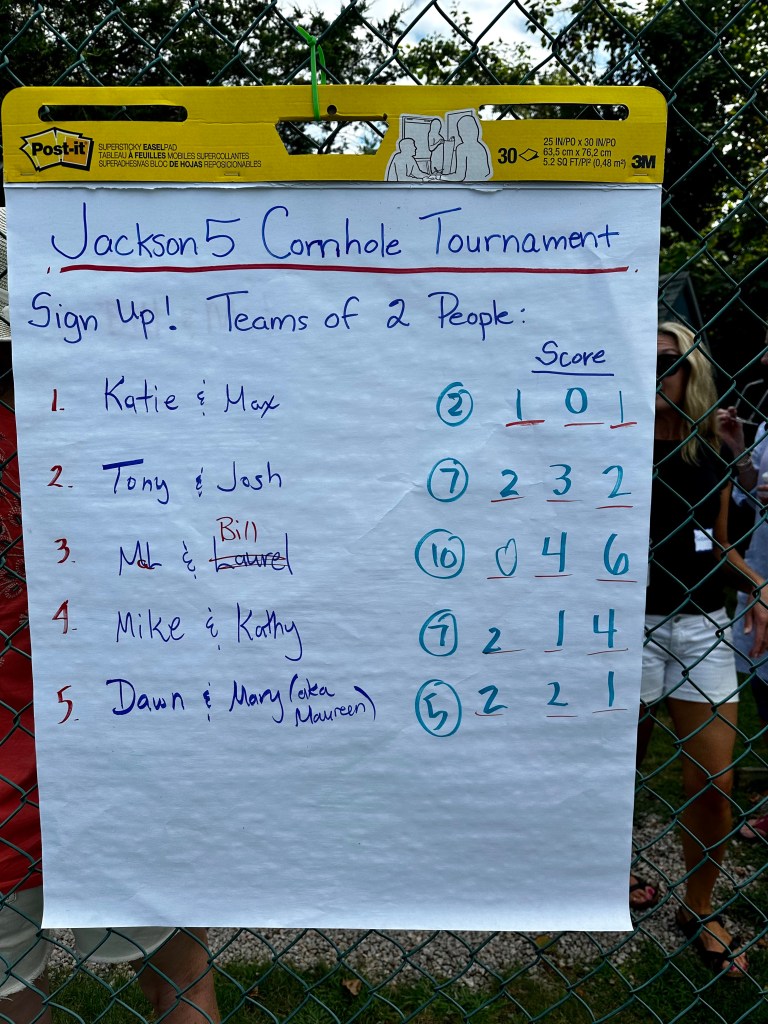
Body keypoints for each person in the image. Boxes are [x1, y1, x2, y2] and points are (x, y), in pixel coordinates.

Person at [0, 209, 220, 1024]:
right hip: (130, 758)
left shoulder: (110, 416)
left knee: (18, 999)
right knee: (179, 976)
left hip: (91, 765)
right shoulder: (119, 414)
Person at [634, 321, 768, 978]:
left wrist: (758, 585)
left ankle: (699, 905)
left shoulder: (707, 449)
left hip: (700, 625)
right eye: (646, 360)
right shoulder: (610, 442)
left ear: (693, 369)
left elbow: (716, 543)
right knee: (618, 773)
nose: (659, 371)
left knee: (714, 782)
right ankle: (610, 870)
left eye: (669, 360)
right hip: (625, 626)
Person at [717, 332, 768, 842]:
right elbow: (752, 492)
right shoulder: (767, 417)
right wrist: (739, 453)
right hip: (762, 571)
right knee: (763, 688)